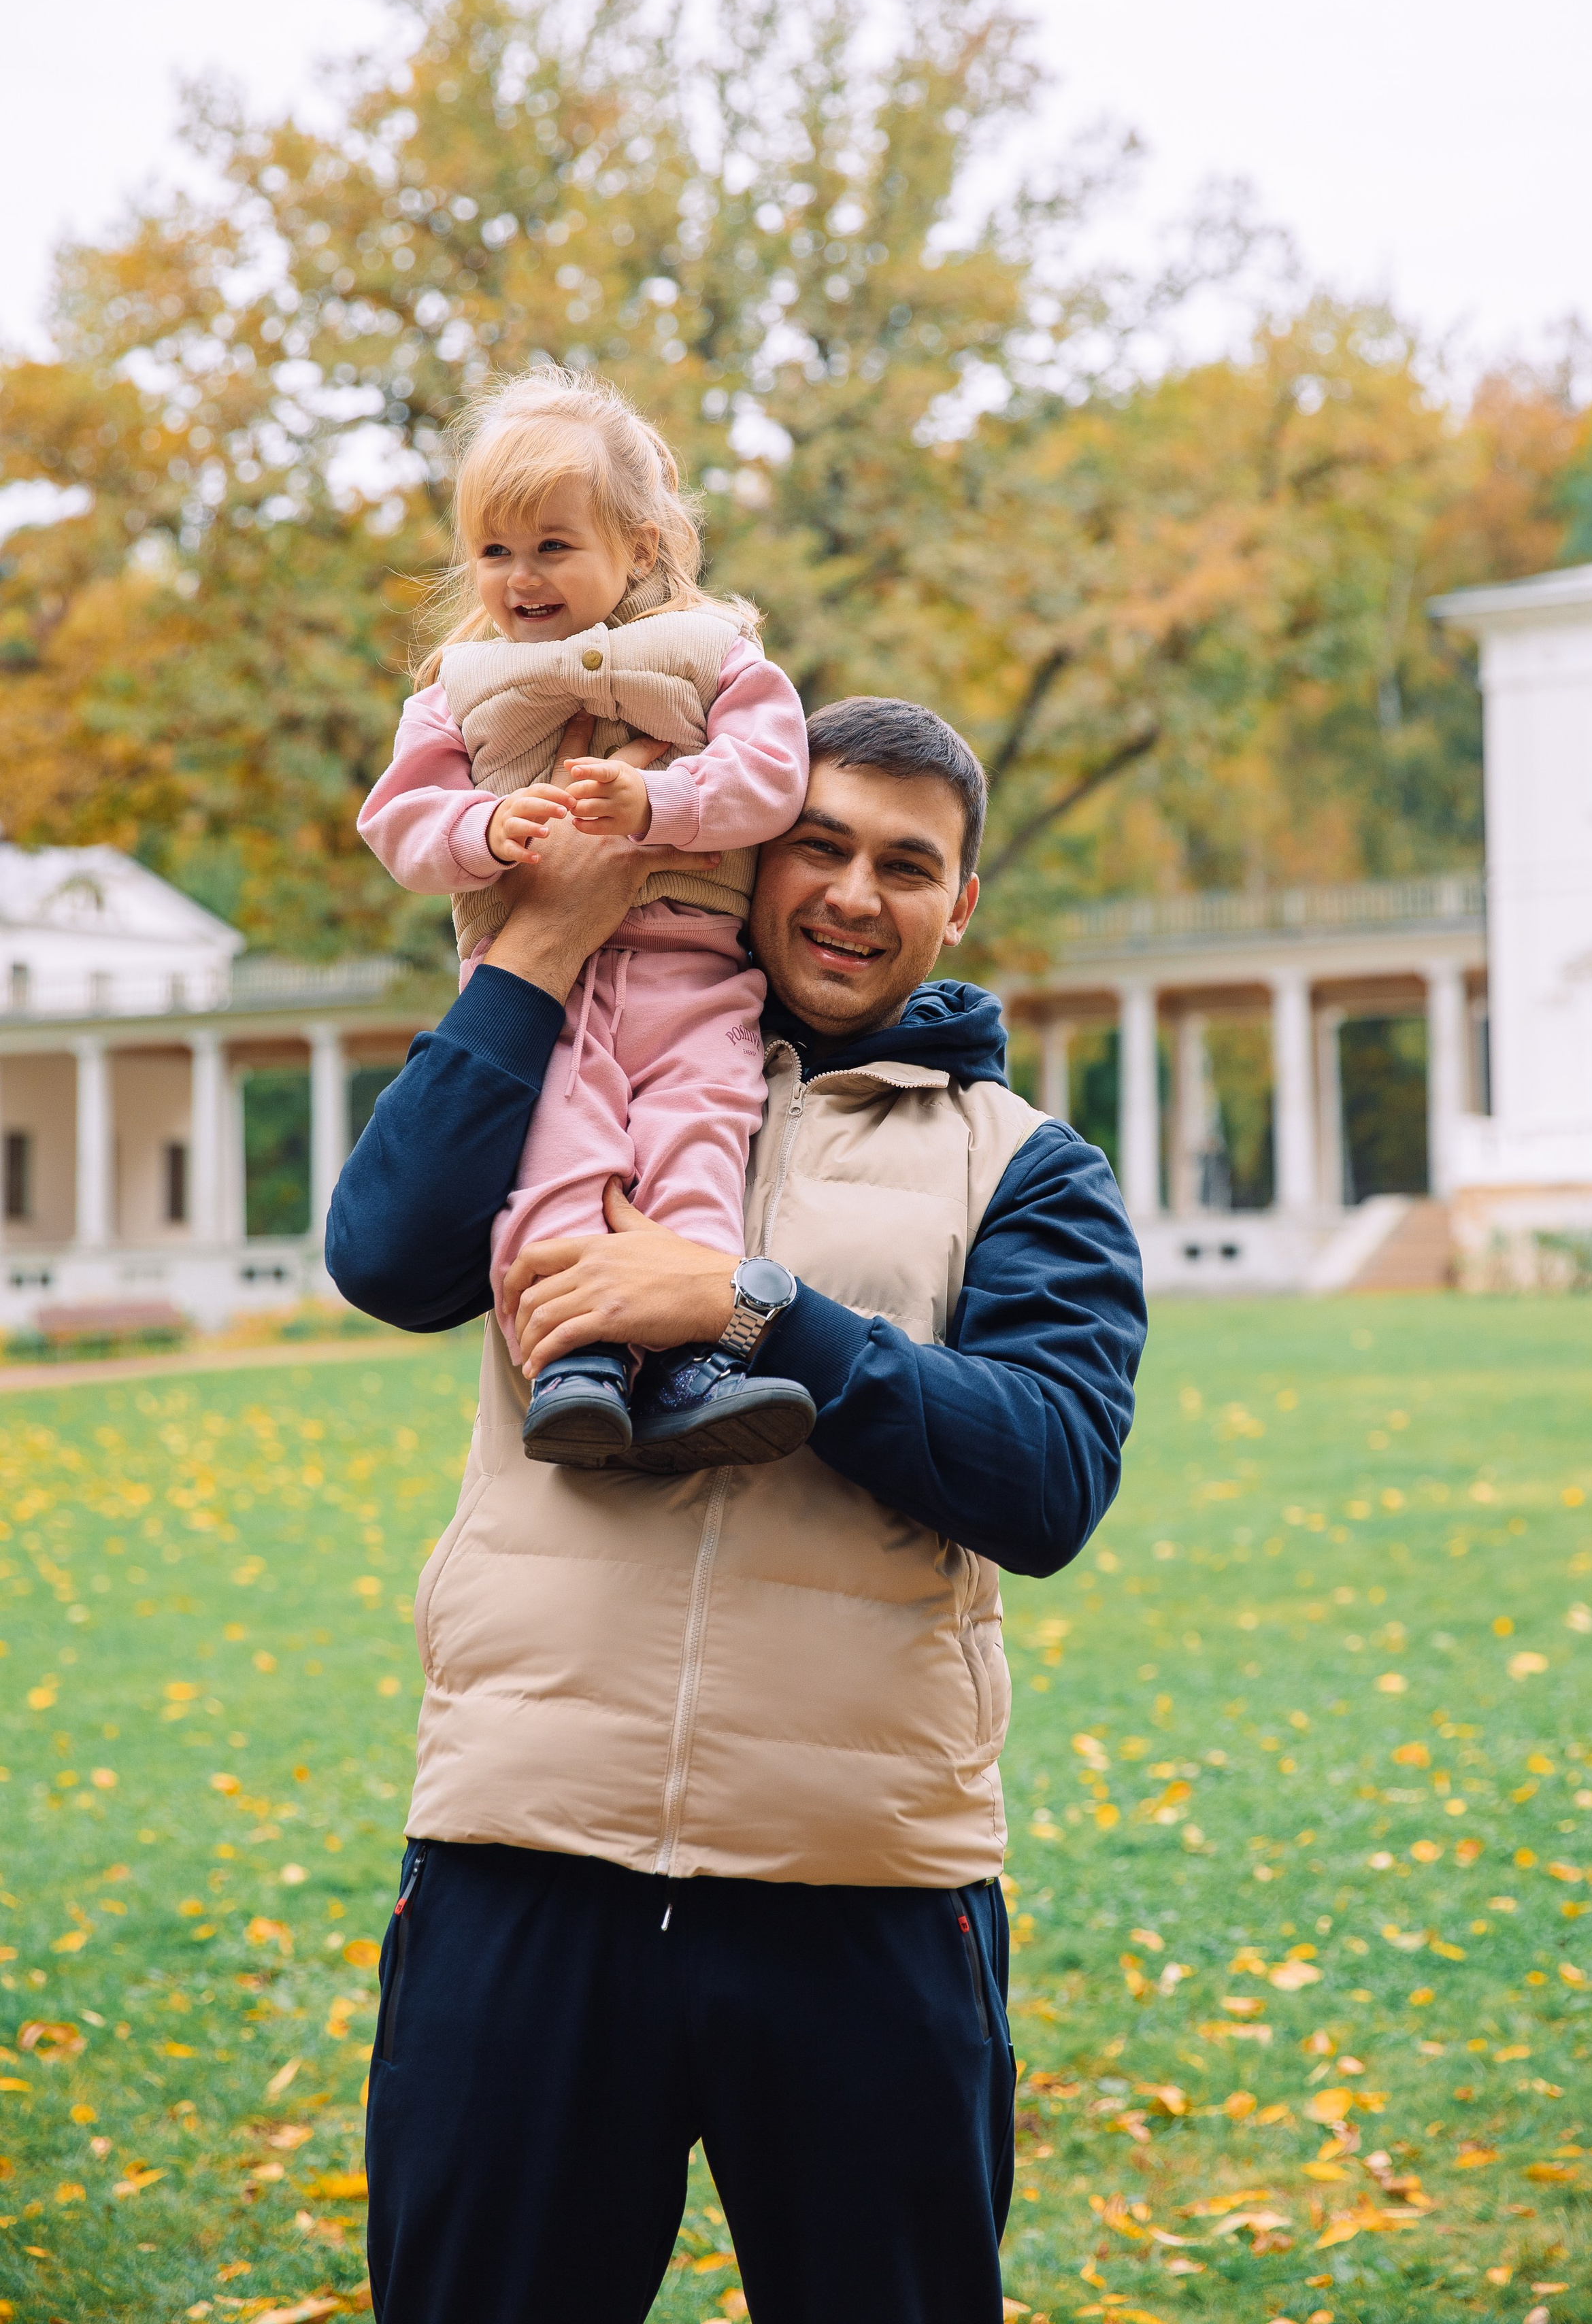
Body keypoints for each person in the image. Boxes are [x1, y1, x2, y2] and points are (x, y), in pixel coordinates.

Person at [329, 696, 1148, 2324]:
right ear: (749, 852)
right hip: (525, 1856)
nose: (852, 893)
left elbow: (1046, 1475)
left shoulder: (1024, 1165)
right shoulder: (571, 1062)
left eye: (905, 866)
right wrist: (538, 951)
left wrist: (753, 1308)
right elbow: (387, 1257)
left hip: (863, 1891)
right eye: (819, 847)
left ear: (959, 903)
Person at [358, 363, 814, 1463]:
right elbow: (398, 821)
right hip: (536, 998)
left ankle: (701, 1358)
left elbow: (774, 778)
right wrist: (486, 827)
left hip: (693, 979)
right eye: (495, 552)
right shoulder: (458, 689)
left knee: (696, 1137)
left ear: (640, 546)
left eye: (554, 546)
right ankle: (574, 1360)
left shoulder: (716, 656)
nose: (521, 578)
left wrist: (659, 800)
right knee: (557, 1156)